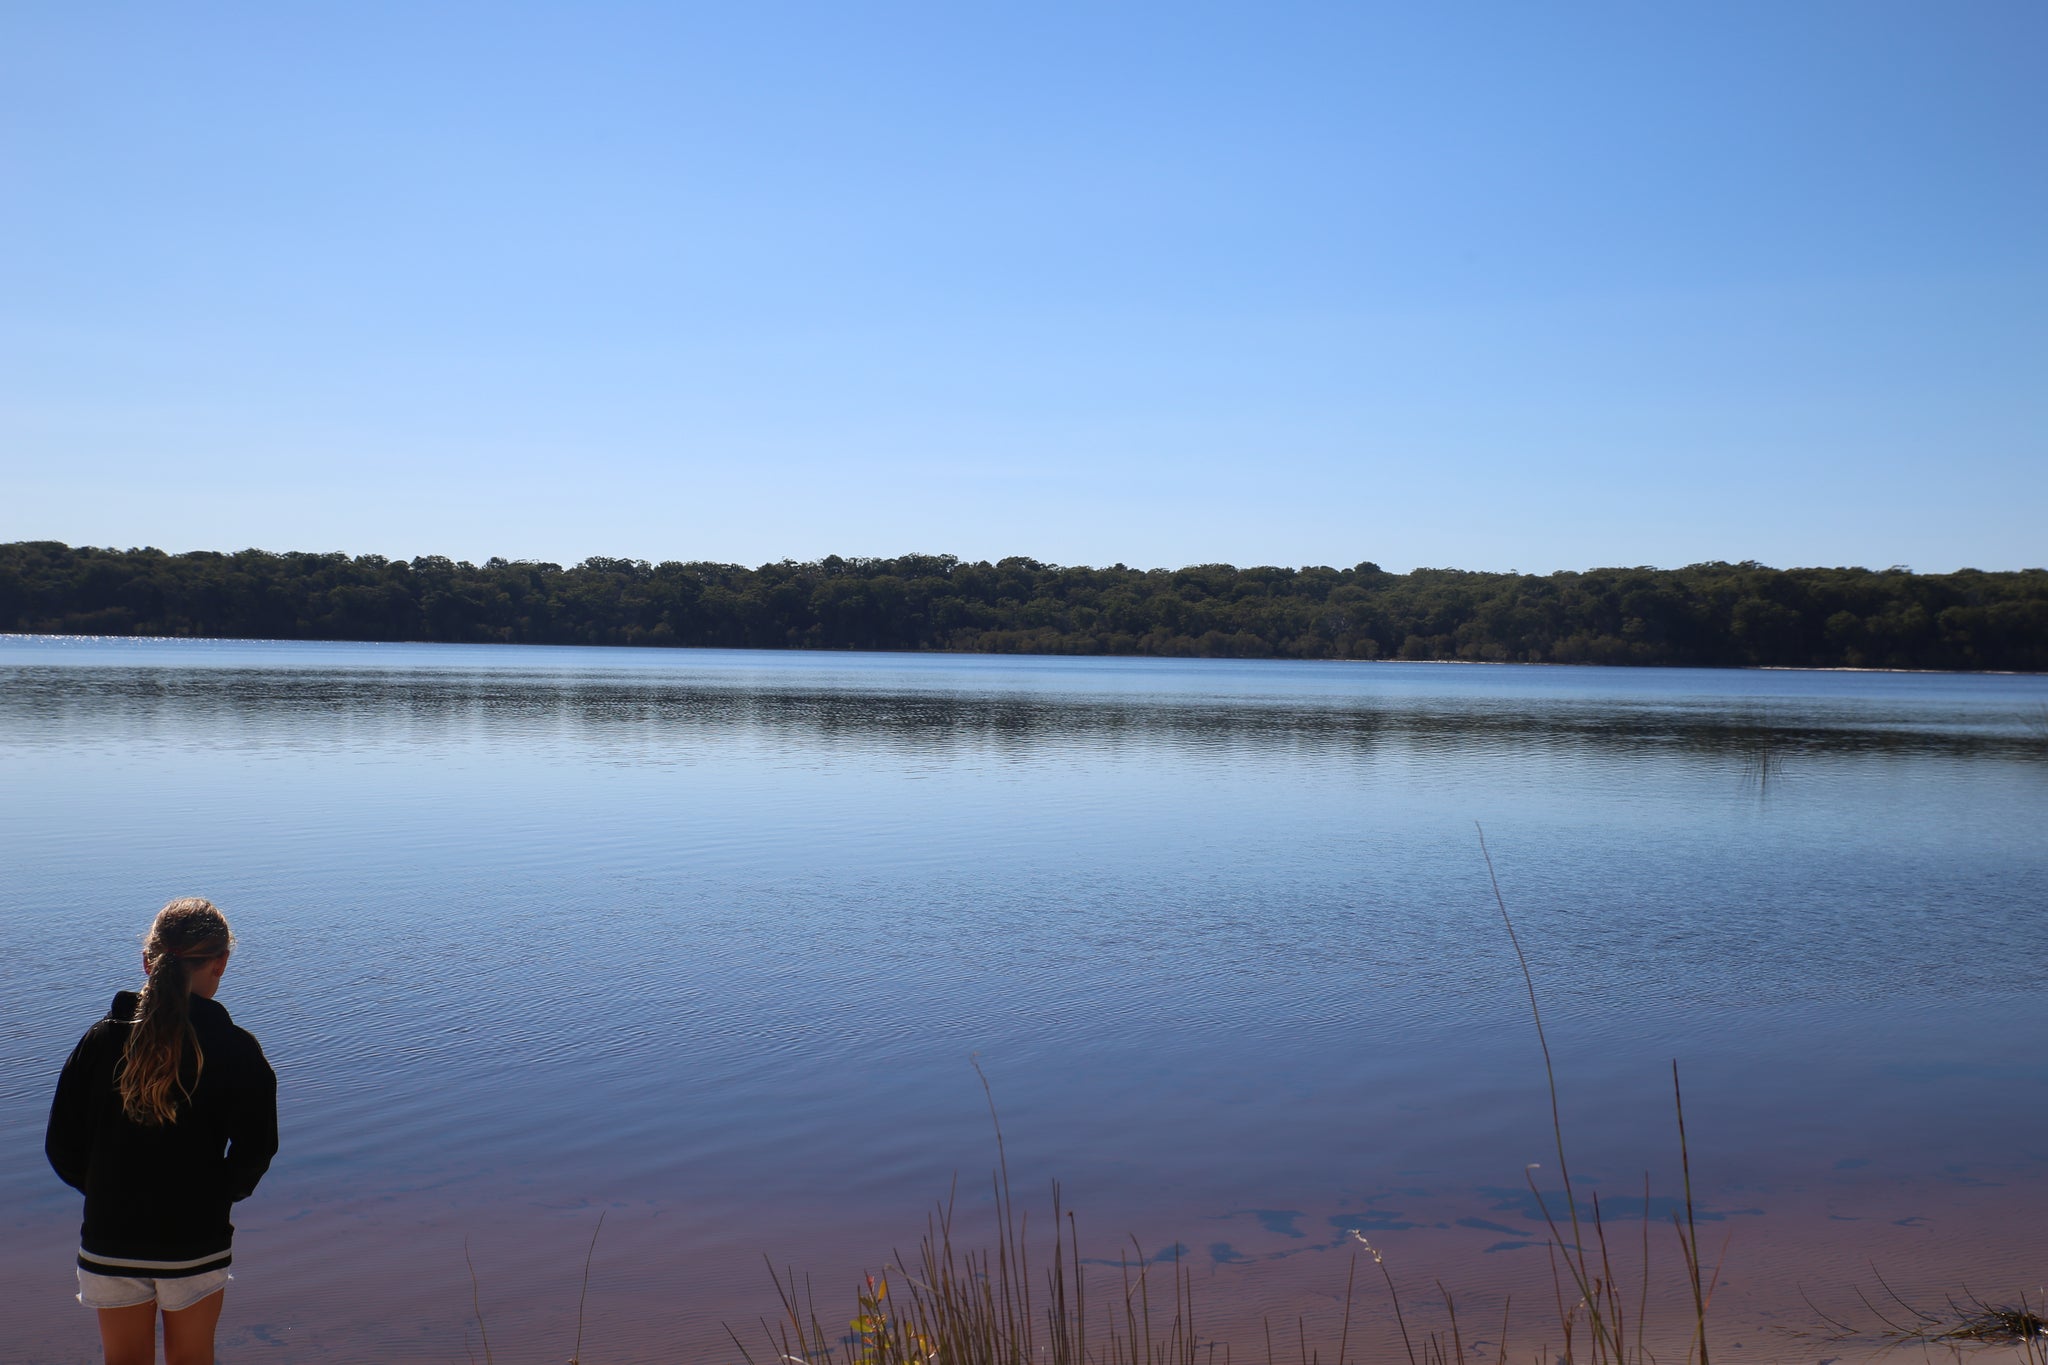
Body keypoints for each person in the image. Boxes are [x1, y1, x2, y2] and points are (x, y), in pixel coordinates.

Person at [46, 898, 279, 1365]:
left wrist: (106, 1190)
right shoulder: (235, 1048)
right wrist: (217, 1194)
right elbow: (257, 1148)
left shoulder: (102, 1039)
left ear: (146, 961)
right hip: (194, 1240)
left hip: (111, 1239)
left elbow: (62, 1147)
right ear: (221, 963)